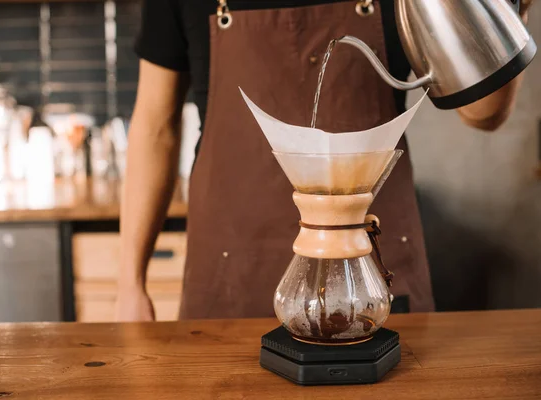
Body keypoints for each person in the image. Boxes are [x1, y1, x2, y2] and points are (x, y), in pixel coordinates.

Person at [116, 0, 533, 321]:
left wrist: (509, 9)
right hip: (231, 273)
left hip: (369, 274)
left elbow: (483, 112)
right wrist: (129, 283)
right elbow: (155, 125)